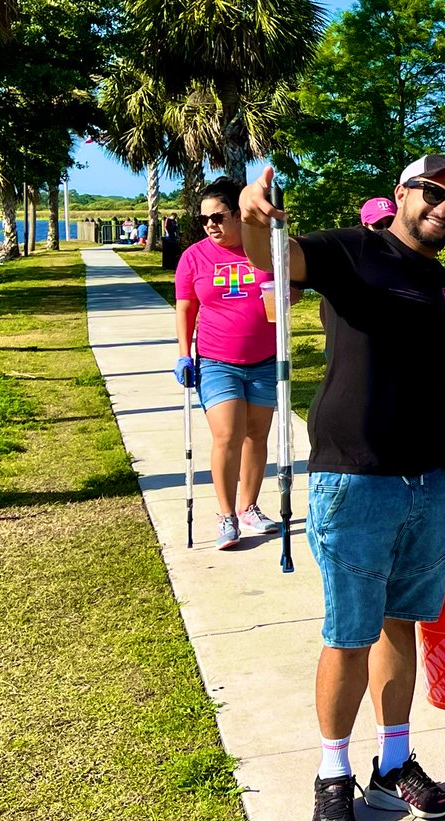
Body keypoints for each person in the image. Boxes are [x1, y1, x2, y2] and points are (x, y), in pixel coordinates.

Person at [238, 154, 445, 821]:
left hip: (428, 482)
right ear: (404, 193)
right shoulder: (353, 249)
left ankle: (394, 764)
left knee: (401, 624)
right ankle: (332, 772)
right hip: (354, 478)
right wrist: (256, 222)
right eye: (434, 194)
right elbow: (277, 263)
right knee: (348, 633)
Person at [173, 176, 282, 550]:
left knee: (257, 435)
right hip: (217, 360)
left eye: (218, 216)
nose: (210, 225)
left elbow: (293, 289)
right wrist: (184, 353)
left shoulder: (267, 249)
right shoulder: (194, 257)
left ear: (238, 214)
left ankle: (249, 507)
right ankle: (226, 515)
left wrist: (287, 293)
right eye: (204, 219)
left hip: (265, 359)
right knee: (227, 435)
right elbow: (186, 307)